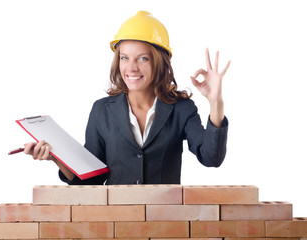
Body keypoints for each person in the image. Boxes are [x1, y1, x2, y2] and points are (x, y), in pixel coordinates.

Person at [24, 11, 230, 185]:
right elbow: (90, 181)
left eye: (142, 58)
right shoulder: (102, 111)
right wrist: (56, 159)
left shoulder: (182, 109)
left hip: (166, 222)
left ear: (159, 62)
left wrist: (215, 103)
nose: (131, 67)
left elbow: (211, 158)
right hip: (117, 225)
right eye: (124, 58)